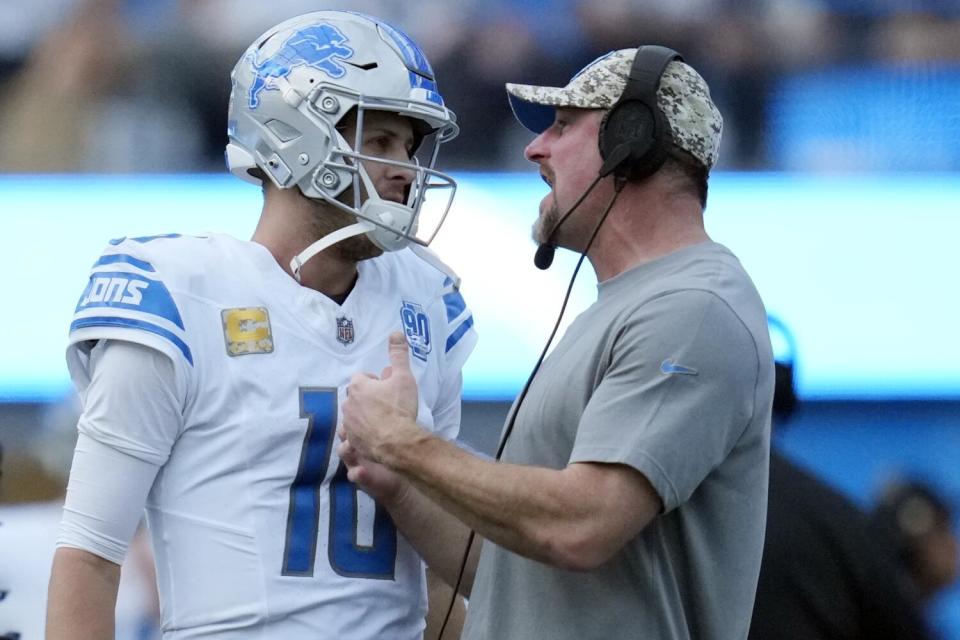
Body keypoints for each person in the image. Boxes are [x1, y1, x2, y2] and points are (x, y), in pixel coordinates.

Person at [45, 10, 476, 639]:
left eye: (409, 146)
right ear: (294, 133)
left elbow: (437, 579)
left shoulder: (427, 300)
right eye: (379, 141)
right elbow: (90, 553)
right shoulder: (180, 294)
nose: (404, 169)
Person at [339, 46, 774, 640]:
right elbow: (508, 567)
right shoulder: (628, 307)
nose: (535, 147)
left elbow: (582, 527)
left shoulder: (692, 311)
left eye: (564, 125)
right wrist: (398, 483)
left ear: (632, 141)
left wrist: (406, 444)